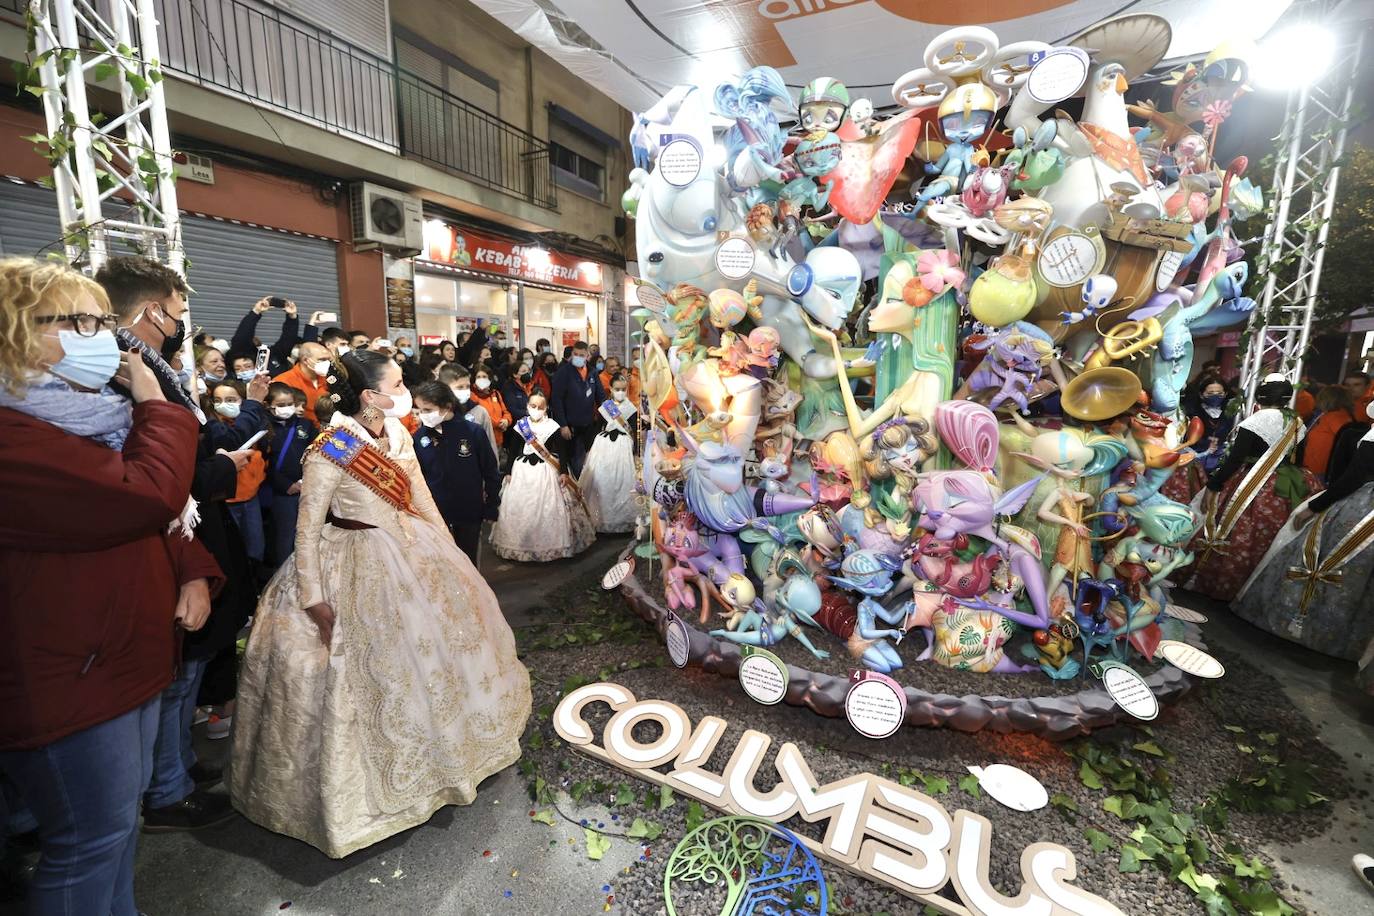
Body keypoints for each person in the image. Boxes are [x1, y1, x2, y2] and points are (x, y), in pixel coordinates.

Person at [229, 350, 531, 858]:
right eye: (396, 384)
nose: (406, 392)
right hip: (350, 558)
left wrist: (451, 553)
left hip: (410, 551)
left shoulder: (398, 434)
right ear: (370, 395)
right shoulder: (332, 446)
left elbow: (420, 497)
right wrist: (313, 596)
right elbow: (307, 528)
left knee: (433, 659)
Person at [0, 257, 221, 916]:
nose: (100, 337)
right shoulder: (18, 435)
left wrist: (192, 569)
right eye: (76, 321)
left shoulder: (87, 413)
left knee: (113, 832)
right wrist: (158, 407)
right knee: (88, 842)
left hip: (116, 654)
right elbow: (146, 494)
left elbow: (161, 517)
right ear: (14, 330)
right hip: (66, 673)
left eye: (101, 320)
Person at [97, 255, 253, 832]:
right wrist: (217, 470)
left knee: (186, 670)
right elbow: (157, 471)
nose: (182, 322)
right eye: (180, 311)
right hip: (165, 541)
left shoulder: (151, 365)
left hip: (188, 538)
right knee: (174, 675)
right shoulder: (125, 369)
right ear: (153, 310)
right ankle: (165, 791)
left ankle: (177, 770)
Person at [1233, 399, 1374, 664]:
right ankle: (1345, 642)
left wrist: (1316, 506)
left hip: (1361, 510)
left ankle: (1303, 628)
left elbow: (1354, 477)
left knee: (1325, 561)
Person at [1178, 373, 1320, 601]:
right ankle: (1248, 591)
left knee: (1232, 531)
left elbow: (1235, 459)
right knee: (1265, 538)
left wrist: (1214, 486)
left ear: (1260, 396)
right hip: (1284, 487)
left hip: (1252, 484)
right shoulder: (1296, 422)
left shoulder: (1256, 421)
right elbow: (1298, 458)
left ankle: (1218, 583)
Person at [490, 393, 595, 561]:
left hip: (545, 471)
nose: (536, 410)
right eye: (533, 406)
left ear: (546, 409)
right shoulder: (521, 426)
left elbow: (562, 451)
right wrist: (508, 472)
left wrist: (563, 473)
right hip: (522, 471)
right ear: (527, 407)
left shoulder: (552, 426)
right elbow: (513, 451)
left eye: (540, 407)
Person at [411, 382, 502, 563]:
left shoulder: (472, 432)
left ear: (446, 406)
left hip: (468, 509)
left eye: (428, 410)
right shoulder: (419, 437)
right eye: (420, 410)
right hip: (436, 512)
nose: (423, 416)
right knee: (444, 562)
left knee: (468, 559)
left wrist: (492, 505)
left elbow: (490, 470)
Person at [203, 379, 270, 565]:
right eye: (218, 400)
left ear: (243, 400)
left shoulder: (254, 421)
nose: (223, 405)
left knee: (256, 548)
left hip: (251, 496)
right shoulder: (212, 428)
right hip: (225, 500)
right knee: (234, 552)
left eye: (231, 399)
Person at [262, 382, 316, 567]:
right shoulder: (264, 428)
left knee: (308, 533)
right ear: (269, 405)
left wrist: (305, 481)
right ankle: (283, 576)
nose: (287, 408)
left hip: (307, 487)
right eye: (281, 404)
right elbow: (263, 462)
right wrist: (285, 485)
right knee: (285, 536)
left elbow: (317, 454)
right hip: (281, 492)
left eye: (290, 404)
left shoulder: (306, 425)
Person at [578, 373, 639, 533]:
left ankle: (622, 519)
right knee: (603, 480)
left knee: (622, 481)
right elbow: (598, 426)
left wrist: (636, 452)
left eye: (623, 389)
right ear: (611, 389)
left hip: (623, 447)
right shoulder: (606, 407)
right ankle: (602, 518)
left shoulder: (631, 408)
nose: (620, 392)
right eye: (617, 389)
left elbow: (634, 432)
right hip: (604, 447)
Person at [550, 340, 605, 477]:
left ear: (587, 356)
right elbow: (556, 400)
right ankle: (574, 491)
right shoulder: (563, 372)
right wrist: (563, 425)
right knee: (572, 463)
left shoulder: (592, 372)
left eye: (582, 355)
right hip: (569, 426)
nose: (578, 357)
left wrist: (614, 416)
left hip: (588, 424)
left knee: (588, 461)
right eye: (576, 354)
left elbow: (601, 397)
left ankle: (585, 491)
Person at [440, 365, 498, 460]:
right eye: (460, 387)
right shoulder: (436, 414)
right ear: (445, 388)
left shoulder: (479, 412)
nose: (465, 390)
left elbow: (491, 448)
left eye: (467, 386)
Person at [1302, 385, 1356, 479]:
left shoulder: (1336, 417)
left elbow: (1347, 442)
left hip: (1320, 471)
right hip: (1317, 469)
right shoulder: (1335, 415)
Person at [271, 341, 332, 423]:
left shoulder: (330, 378)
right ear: (305, 360)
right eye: (322, 359)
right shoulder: (283, 381)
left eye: (328, 359)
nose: (327, 363)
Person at [501, 357, 538, 465]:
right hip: (517, 429)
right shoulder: (509, 388)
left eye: (527, 371)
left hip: (533, 427)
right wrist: (528, 413)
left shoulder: (532, 386)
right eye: (523, 372)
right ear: (515, 375)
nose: (527, 374)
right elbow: (511, 408)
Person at [470, 364, 511, 449]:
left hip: (498, 440)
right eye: (479, 377)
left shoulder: (495, 393)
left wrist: (506, 420)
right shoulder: (472, 395)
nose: (482, 379)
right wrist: (500, 423)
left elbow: (505, 412)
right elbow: (481, 417)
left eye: (484, 376)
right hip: (482, 442)